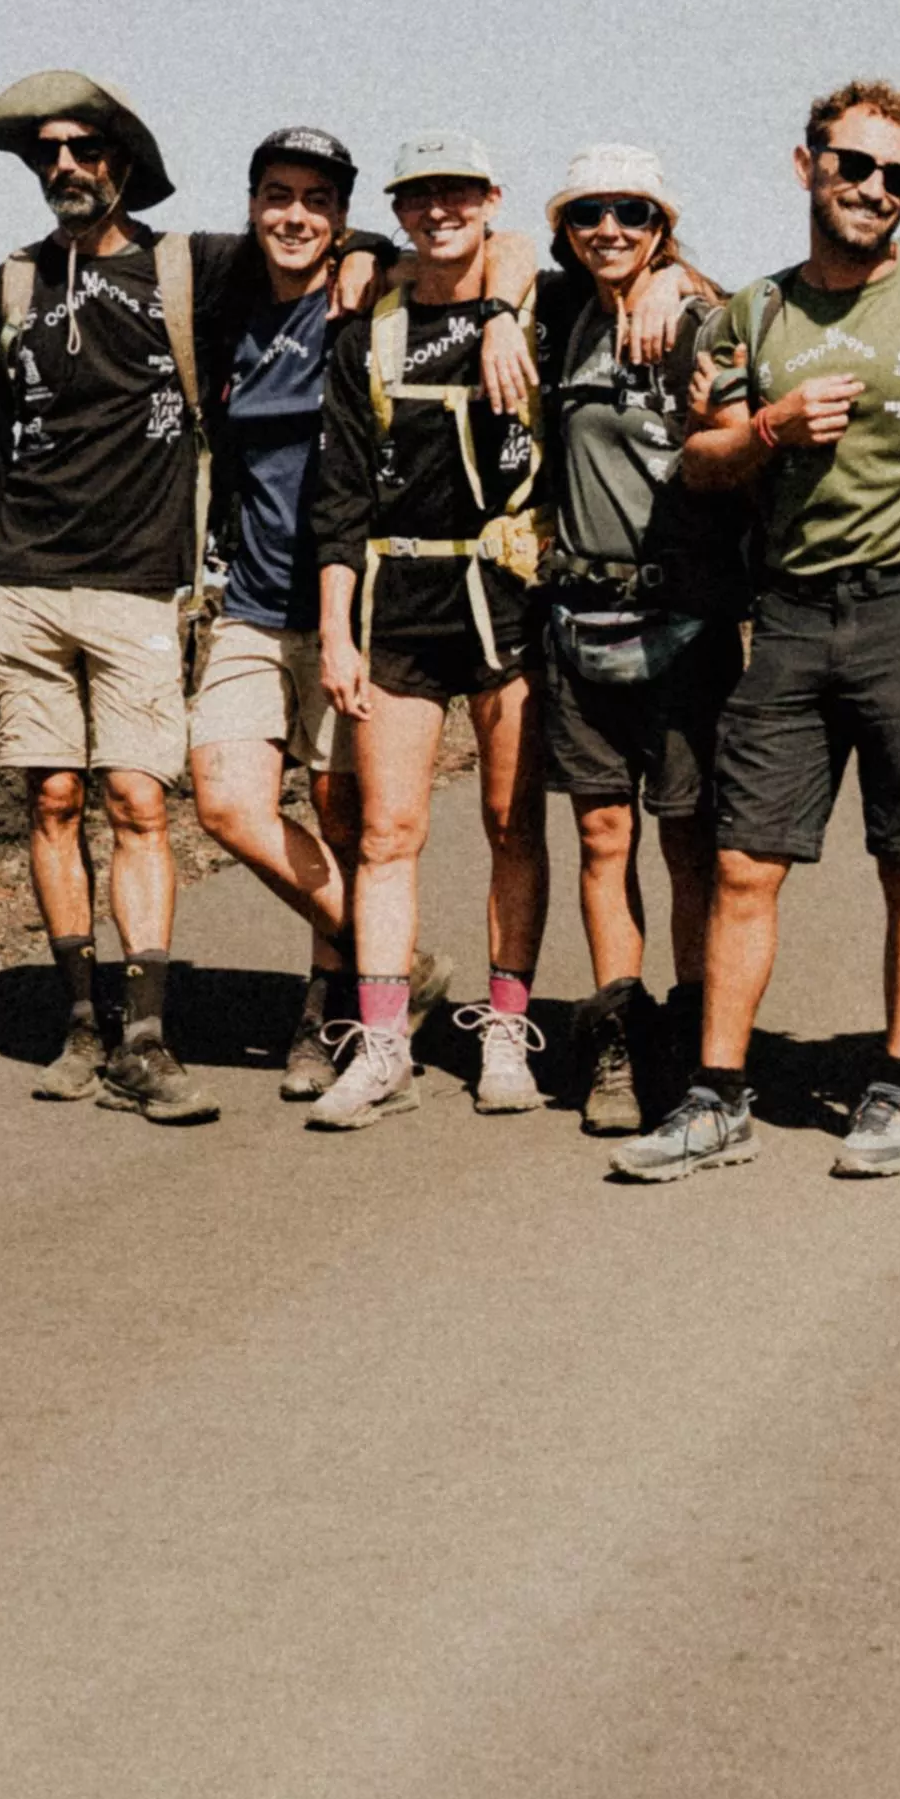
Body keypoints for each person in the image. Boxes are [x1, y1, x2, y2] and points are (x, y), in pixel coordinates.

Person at [608, 80, 900, 1184]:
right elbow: (701, 458)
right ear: (806, 166)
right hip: (787, 614)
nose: (875, 189)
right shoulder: (753, 314)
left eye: (898, 175)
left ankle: (899, 1084)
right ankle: (718, 1093)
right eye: (854, 166)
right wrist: (770, 432)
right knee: (745, 862)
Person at [0, 67, 220, 1125]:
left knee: (139, 800)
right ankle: (79, 1021)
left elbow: (339, 253)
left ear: (123, 160)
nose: (63, 166)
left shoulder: (187, 269)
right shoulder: (7, 288)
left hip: (141, 585)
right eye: (46, 154)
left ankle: (144, 1035)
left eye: (82, 149)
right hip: (23, 584)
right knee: (51, 801)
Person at [302, 134, 550, 1128]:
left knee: (509, 823)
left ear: (491, 197)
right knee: (388, 831)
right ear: (399, 213)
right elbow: (339, 497)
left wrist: (504, 305)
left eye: (457, 193)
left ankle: (505, 1029)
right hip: (398, 597)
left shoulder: (539, 301)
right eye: (419, 197)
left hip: (508, 593)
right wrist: (334, 630)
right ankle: (384, 1042)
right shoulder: (368, 330)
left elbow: (621, 259)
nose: (439, 210)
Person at [526, 145, 737, 1136]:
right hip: (581, 621)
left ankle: (694, 1033)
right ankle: (616, 1030)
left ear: (662, 225)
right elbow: (455, 257)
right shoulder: (554, 315)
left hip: (683, 625)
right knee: (602, 836)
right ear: (565, 230)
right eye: (588, 214)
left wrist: (678, 281)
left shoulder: (701, 314)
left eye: (633, 214)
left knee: (688, 838)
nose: (609, 229)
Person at [178, 126, 385, 1101]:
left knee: (338, 811)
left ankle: (325, 1007)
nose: (293, 215)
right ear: (252, 204)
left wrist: (373, 253)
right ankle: (382, 954)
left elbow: (477, 260)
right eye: (275, 195)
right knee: (226, 800)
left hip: (355, 606)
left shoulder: (364, 304)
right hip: (253, 604)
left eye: (315, 200)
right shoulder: (228, 311)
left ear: (340, 215)